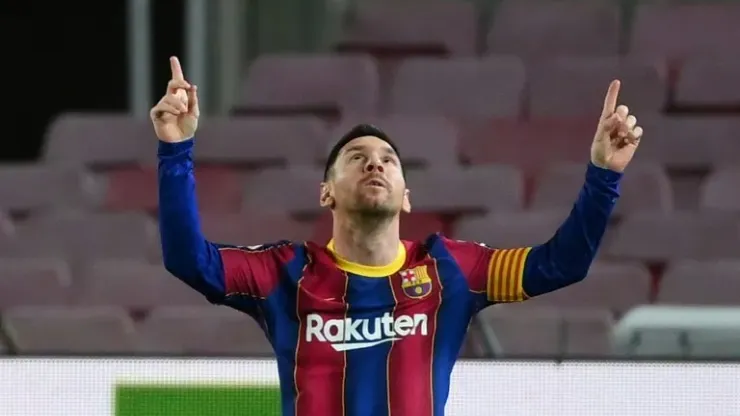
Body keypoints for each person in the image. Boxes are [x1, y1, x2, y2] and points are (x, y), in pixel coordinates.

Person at [151, 56, 643, 416]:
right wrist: (176, 149)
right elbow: (188, 260)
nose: (375, 164)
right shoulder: (284, 274)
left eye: (388, 160)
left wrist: (604, 175)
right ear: (326, 193)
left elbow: (562, 264)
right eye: (357, 158)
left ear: (407, 195)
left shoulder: (451, 270)